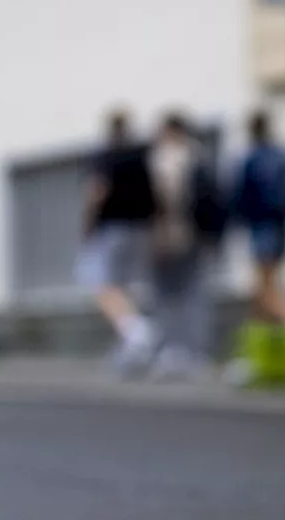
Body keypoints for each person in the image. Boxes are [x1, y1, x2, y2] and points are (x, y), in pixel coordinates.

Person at [145, 112, 226, 381]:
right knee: (192, 294)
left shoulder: (163, 159)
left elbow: (158, 201)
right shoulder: (199, 157)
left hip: (167, 237)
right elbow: (213, 201)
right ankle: (193, 352)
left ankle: (173, 351)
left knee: (169, 295)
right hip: (193, 236)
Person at [78, 109, 158, 377]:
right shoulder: (140, 156)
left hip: (111, 228)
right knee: (125, 287)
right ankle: (131, 342)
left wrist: (87, 224)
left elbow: (97, 191)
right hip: (139, 228)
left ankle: (135, 331)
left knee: (102, 285)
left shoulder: (107, 156)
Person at [231, 110, 285, 326]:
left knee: (265, 286)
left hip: (260, 225)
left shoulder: (252, 159)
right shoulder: (283, 156)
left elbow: (241, 196)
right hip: (280, 224)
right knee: (266, 283)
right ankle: (267, 332)